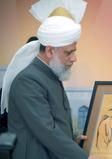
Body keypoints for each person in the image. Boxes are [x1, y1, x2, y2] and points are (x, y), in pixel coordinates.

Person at [1, 15, 96, 159]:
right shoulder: (28, 81)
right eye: (69, 52)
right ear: (50, 51)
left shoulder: (49, 75)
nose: (74, 58)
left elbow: (54, 120)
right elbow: (47, 130)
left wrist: (73, 137)